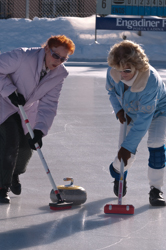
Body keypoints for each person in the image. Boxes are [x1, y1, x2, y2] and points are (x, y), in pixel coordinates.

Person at [0, 35, 75, 203]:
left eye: (63, 59)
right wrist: (9, 91)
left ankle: (14, 174)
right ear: (47, 49)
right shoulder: (23, 56)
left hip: (25, 108)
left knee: (28, 145)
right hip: (2, 101)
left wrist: (41, 129)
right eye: (56, 56)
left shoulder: (60, 74)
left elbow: (49, 104)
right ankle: (1, 186)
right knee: (10, 140)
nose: (58, 61)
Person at [106, 40, 166, 206]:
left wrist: (128, 146)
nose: (122, 74)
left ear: (137, 66)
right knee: (125, 154)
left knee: (156, 143)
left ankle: (156, 189)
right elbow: (111, 91)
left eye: (127, 70)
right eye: (119, 69)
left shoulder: (150, 81)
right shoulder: (114, 71)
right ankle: (118, 173)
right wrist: (118, 109)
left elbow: (144, 121)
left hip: (159, 111)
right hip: (130, 112)